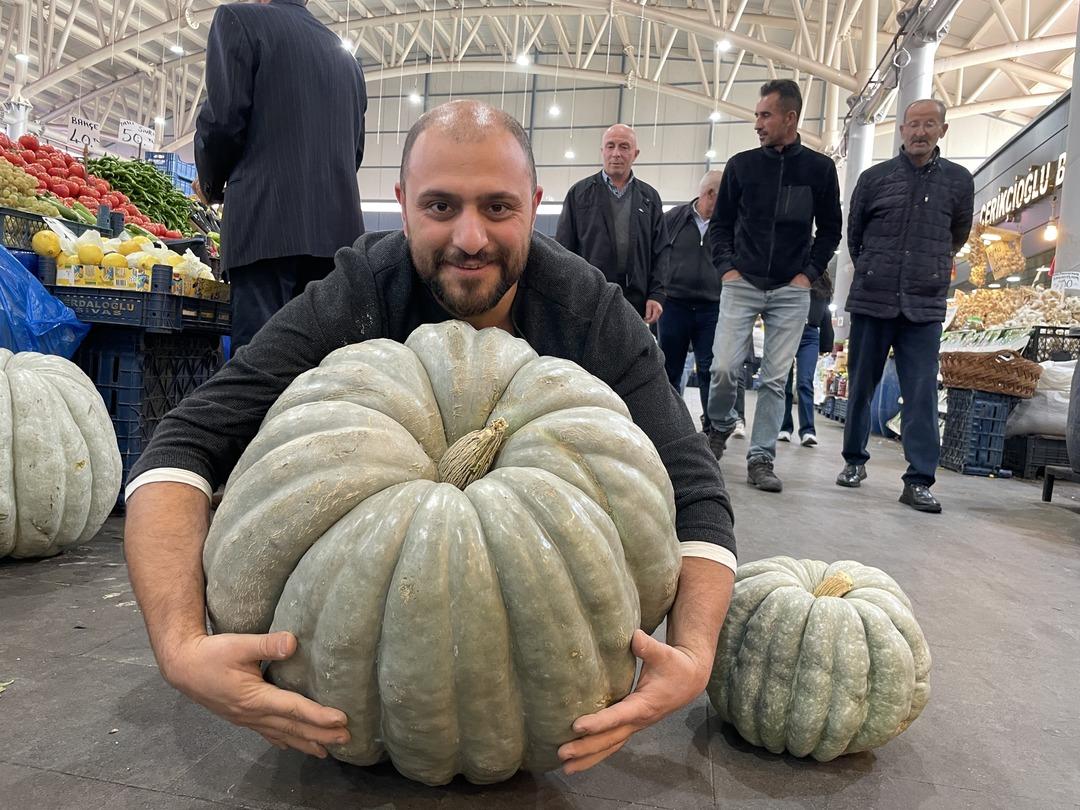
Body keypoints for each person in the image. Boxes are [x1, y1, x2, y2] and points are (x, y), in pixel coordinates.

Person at [124, 101, 736, 776]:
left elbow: (696, 491)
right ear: (403, 205)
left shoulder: (586, 310)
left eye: (498, 207)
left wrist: (693, 657)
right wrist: (179, 647)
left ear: (534, 206)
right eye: (441, 206)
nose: (470, 238)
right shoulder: (361, 290)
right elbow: (186, 440)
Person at [192, 0, 368, 351]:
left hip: (265, 228)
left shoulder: (238, 20)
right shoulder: (348, 61)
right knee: (319, 361)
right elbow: (355, 152)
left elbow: (223, 123)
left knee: (260, 361)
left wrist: (210, 184)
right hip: (336, 240)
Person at [836, 98, 974, 513]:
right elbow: (855, 236)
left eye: (929, 124)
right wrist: (876, 269)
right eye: (913, 124)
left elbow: (957, 235)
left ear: (942, 131)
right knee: (861, 386)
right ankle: (854, 461)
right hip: (873, 299)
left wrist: (927, 269)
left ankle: (918, 480)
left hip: (923, 306)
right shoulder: (874, 179)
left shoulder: (958, 181)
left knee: (921, 393)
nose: (920, 132)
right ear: (901, 129)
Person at [704, 79, 842, 493]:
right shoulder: (741, 166)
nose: (758, 124)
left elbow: (831, 230)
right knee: (724, 367)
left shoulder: (819, 170)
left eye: (765, 115)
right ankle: (720, 423)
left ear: (790, 118)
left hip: (791, 290)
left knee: (775, 379)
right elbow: (720, 226)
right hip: (741, 282)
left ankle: (761, 457)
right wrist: (727, 269)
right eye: (757, 115)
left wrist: (807, 274)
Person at [555, 124, 669, 325]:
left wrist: (657, 294)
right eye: (610, 146)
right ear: (602, 151)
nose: (616, 153)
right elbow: (564, 249)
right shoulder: (579, 194)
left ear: (635, 154)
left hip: (637, 303)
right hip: (589, 298)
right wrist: (567, 293)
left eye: (624, 147)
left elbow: (661, 250)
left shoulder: (650, 198)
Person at [659, 170, 723, 430]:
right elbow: (656, 254)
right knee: (669, 370)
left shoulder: (727, 224)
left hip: (712, 309)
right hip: (673, 305)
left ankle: (711, 429)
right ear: (710, 194)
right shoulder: (674, 219)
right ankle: (669, 428)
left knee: (710, 370)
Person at [779, 272, 833, 446]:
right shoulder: (790, 275)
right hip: (787, 331)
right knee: (784, 382)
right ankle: (784, 427)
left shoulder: (822, 285)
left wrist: (826, 344)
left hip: (810, 335)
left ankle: (808, 430)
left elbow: (825, 315)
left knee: (805, 382)